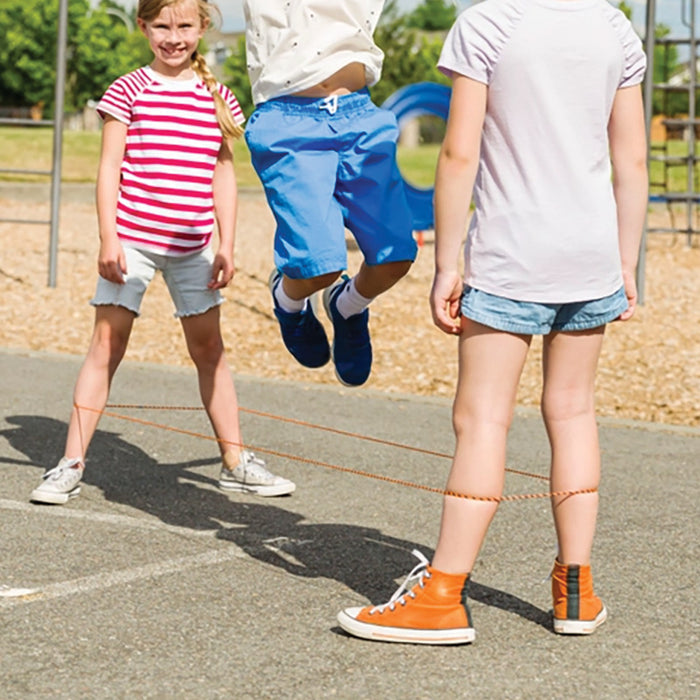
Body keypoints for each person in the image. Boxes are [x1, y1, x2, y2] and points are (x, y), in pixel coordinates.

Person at [337, 0, 648, 644]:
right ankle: (577, 591)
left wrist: (447, 263)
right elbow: (633, 163)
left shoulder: (487, 23)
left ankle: (444, 597)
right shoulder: (616, 27)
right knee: (573, 412)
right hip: (589, 257)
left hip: (512, 255)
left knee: (482, 420)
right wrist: (625, 262)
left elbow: (458, 155)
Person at [30, 0, 295, 505]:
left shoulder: (218, 96)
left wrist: (227, 243)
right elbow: (110, 167)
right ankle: (70, 464)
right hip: (132, 241)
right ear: (144, 27)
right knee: (106, 349)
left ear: (202, 28)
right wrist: (109, 238)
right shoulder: (128, 89)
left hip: (194, 248)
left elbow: (223, 174)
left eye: (184, 26)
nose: (173, 37)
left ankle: (235, 462)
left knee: (210, 352)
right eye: (162, 26)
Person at [242, 1, 418, 387]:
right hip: (288, 119)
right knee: (318, 264)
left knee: (396, 256)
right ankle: (288, 301)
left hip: (359, 115)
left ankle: (349, 307)